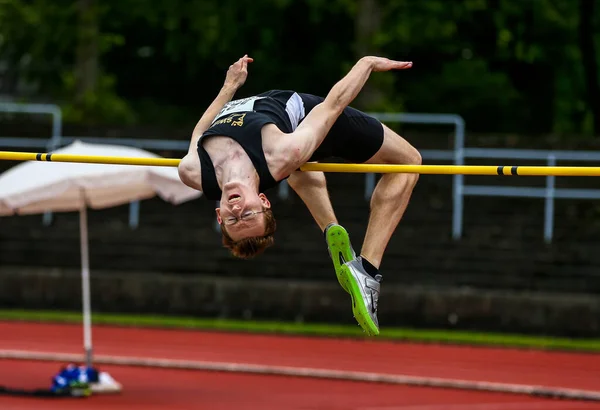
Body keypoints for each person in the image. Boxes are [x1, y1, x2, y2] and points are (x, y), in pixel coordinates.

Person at [178, 54, 422, 336]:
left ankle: (332, 230)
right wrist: (365, 65)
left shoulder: (193, 170)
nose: (237, 211)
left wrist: (230, 86)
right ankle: (366, 269)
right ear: (263, 200)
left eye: (234, 220)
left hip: (277, 133)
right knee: (408, 161)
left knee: (300, 168)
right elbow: (332, 107)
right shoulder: (281, 153)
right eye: (248, 214)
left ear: (219, 216)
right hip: (307, 119)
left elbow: (199, 131)